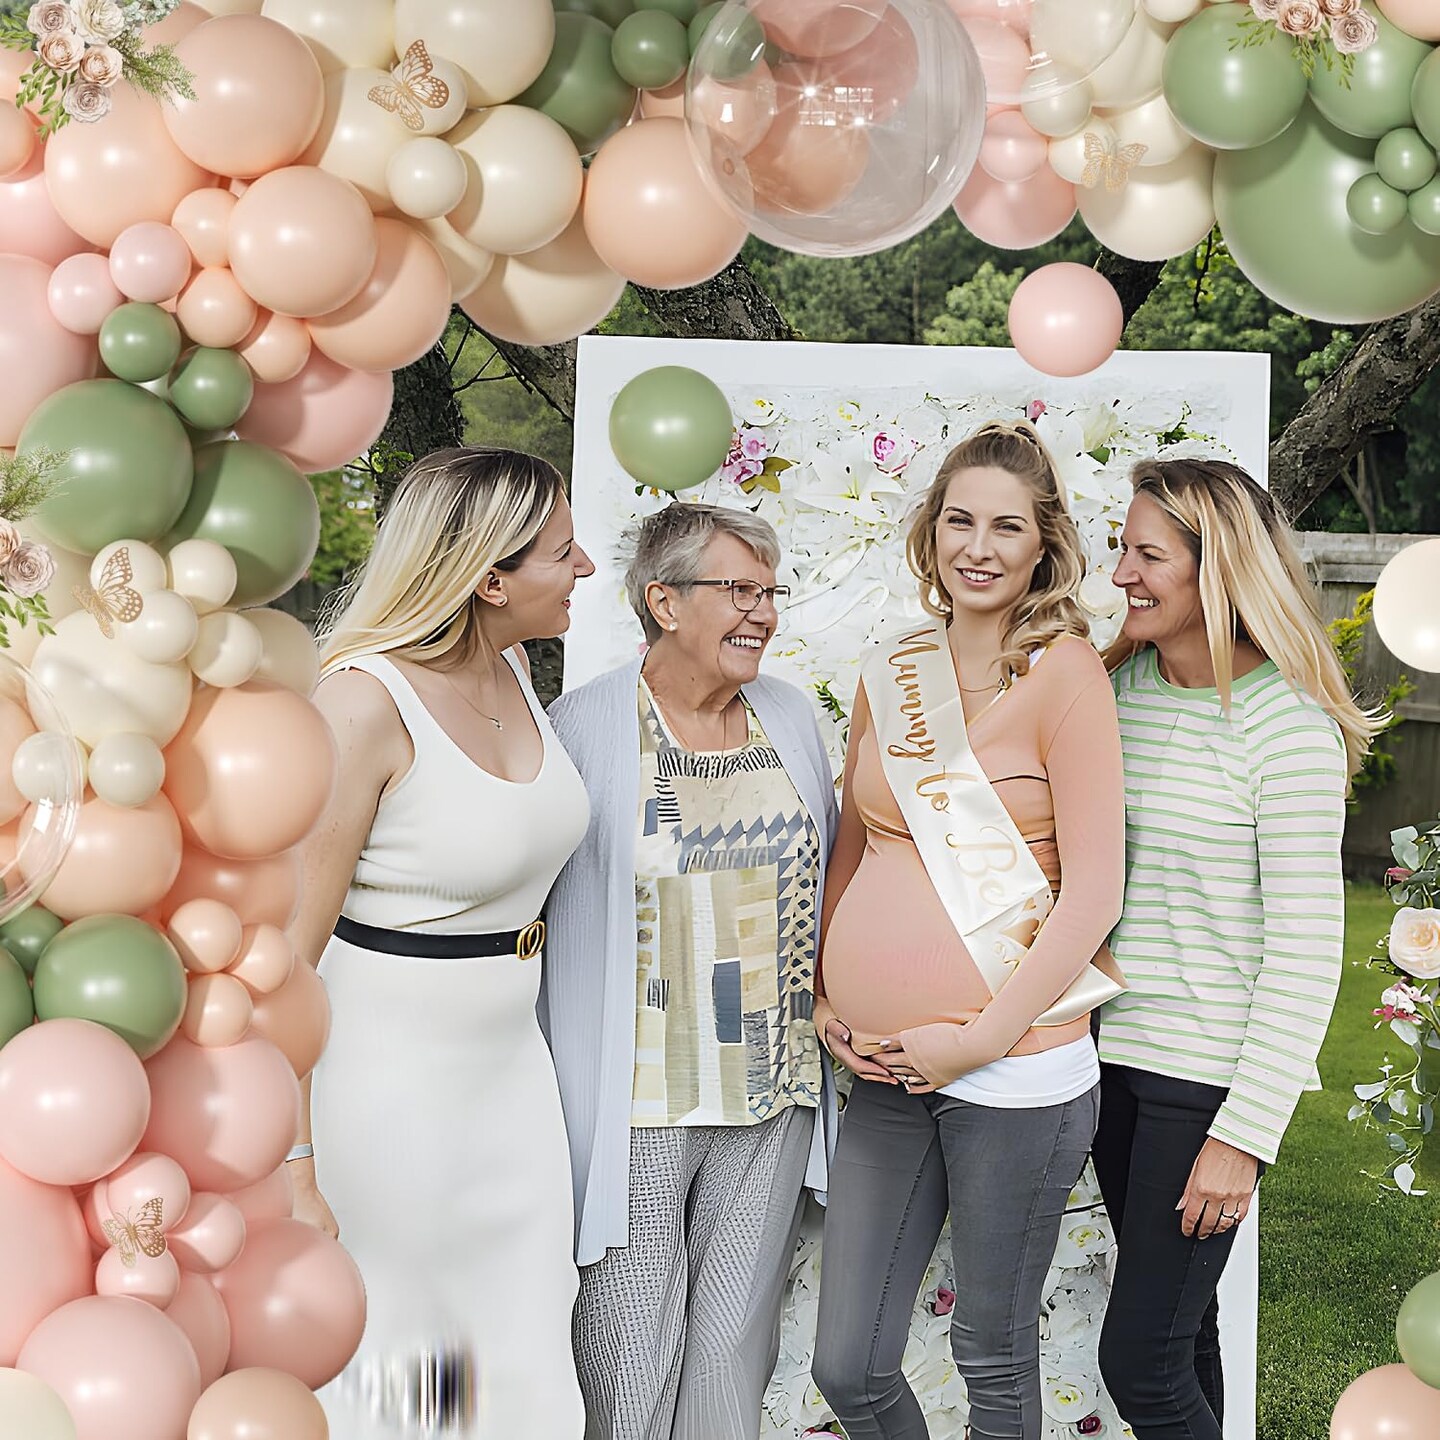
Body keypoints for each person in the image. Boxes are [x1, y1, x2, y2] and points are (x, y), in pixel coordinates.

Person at [810, 420, 1127, 1440]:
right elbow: (854, 842)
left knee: (991, 1355)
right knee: (848, 1364)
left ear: (1045, 544)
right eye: (958, 521)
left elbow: (1094, 895)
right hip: (890, 1069)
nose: (978, 547)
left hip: (1015, 1071)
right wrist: (826, 991)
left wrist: (979, 1039)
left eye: (1006, 526)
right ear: (930, 532)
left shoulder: (1066, 672)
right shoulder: (891, 669)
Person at [287, 447, 596, 1440]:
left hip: (511, 1080)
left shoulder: (513, 667)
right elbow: (286, 961)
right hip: (388, 1091)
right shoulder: (361, 705)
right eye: (561, 551)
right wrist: (294, 1164)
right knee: (413, 1370)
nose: (587, 566)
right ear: (488, 577)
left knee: (520, 1350)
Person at [1095, 459, 1378, 1440]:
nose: (1122, 572)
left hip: (1202, 1086)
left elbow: (1307, 950)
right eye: (1119, 548)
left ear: (1215, 569)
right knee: (1182, 1339)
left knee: (1136, 1363)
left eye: (1147, 554)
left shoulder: (1285, 727)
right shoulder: (1112, 692)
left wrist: (1244, 1136)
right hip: (1107, 1068)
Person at [542, 502, 838, 1440]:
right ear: (662, 601)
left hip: (771, 1089)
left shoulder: (787, 716)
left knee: (730, 1353)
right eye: (738, 590)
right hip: (638, 1096)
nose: (762, 613)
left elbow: (828, 879)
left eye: (769, 592)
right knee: (630, 1353)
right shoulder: (583, 727)